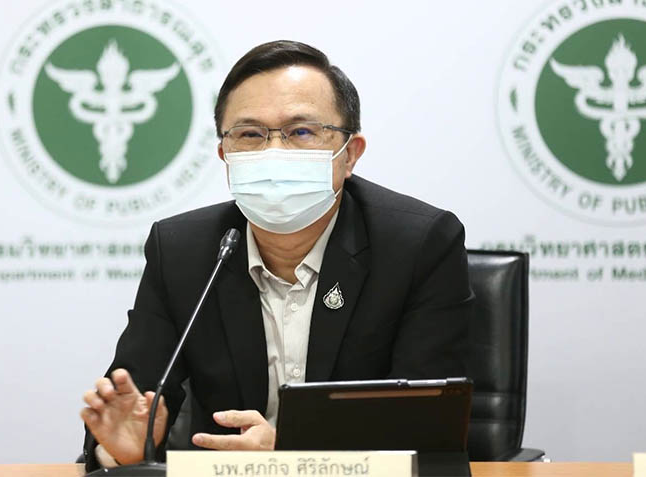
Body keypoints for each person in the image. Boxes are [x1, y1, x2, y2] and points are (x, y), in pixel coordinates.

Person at [80, 40, 473, 470]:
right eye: (250, 134)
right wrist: (125, 449)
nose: (274, 151)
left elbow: (424, 430)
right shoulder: (182, 252)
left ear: (349, 154)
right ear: (225, 154)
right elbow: (132, 404)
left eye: (301, 132)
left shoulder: (418, 245)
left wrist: (292, 454)